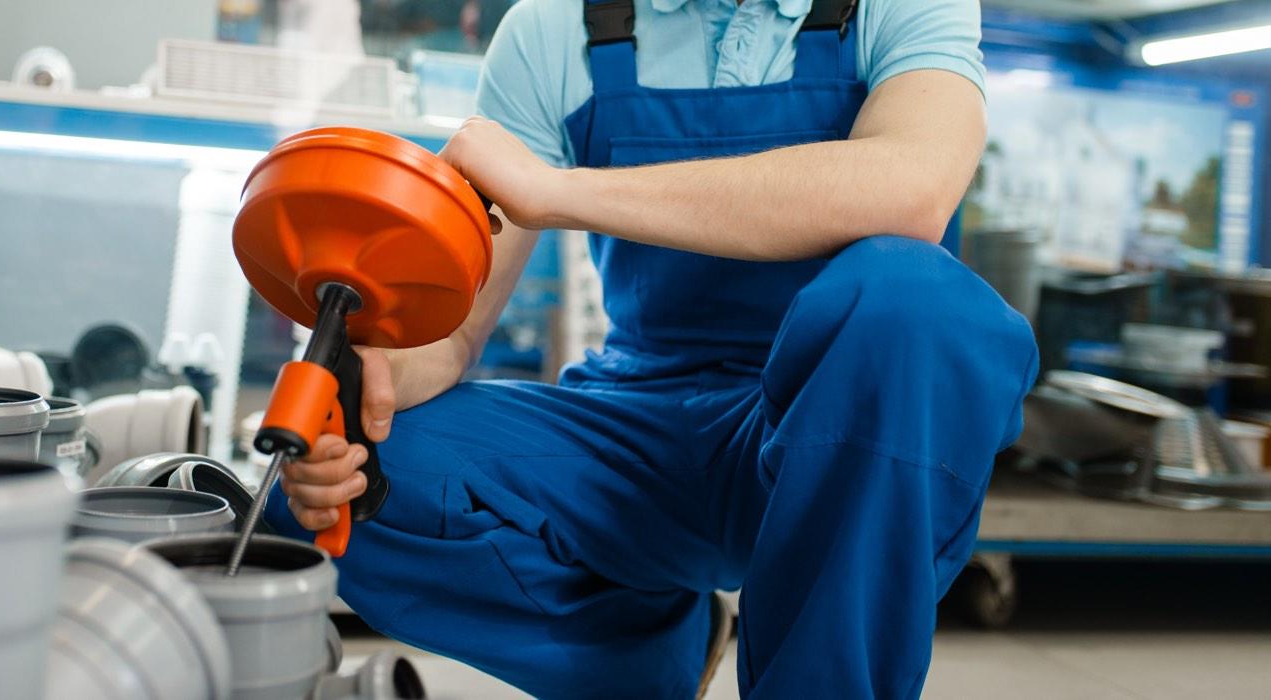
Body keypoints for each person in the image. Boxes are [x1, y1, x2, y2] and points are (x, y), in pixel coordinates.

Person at [265, 0, 1039, 696]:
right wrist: (372, 379)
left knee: (912, 300)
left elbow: (911, 188)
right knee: (365, 472)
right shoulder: (552, 30)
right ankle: (647, 656)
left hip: (846, 429)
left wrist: (559, 193)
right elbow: (457, 332)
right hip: (639, 427)